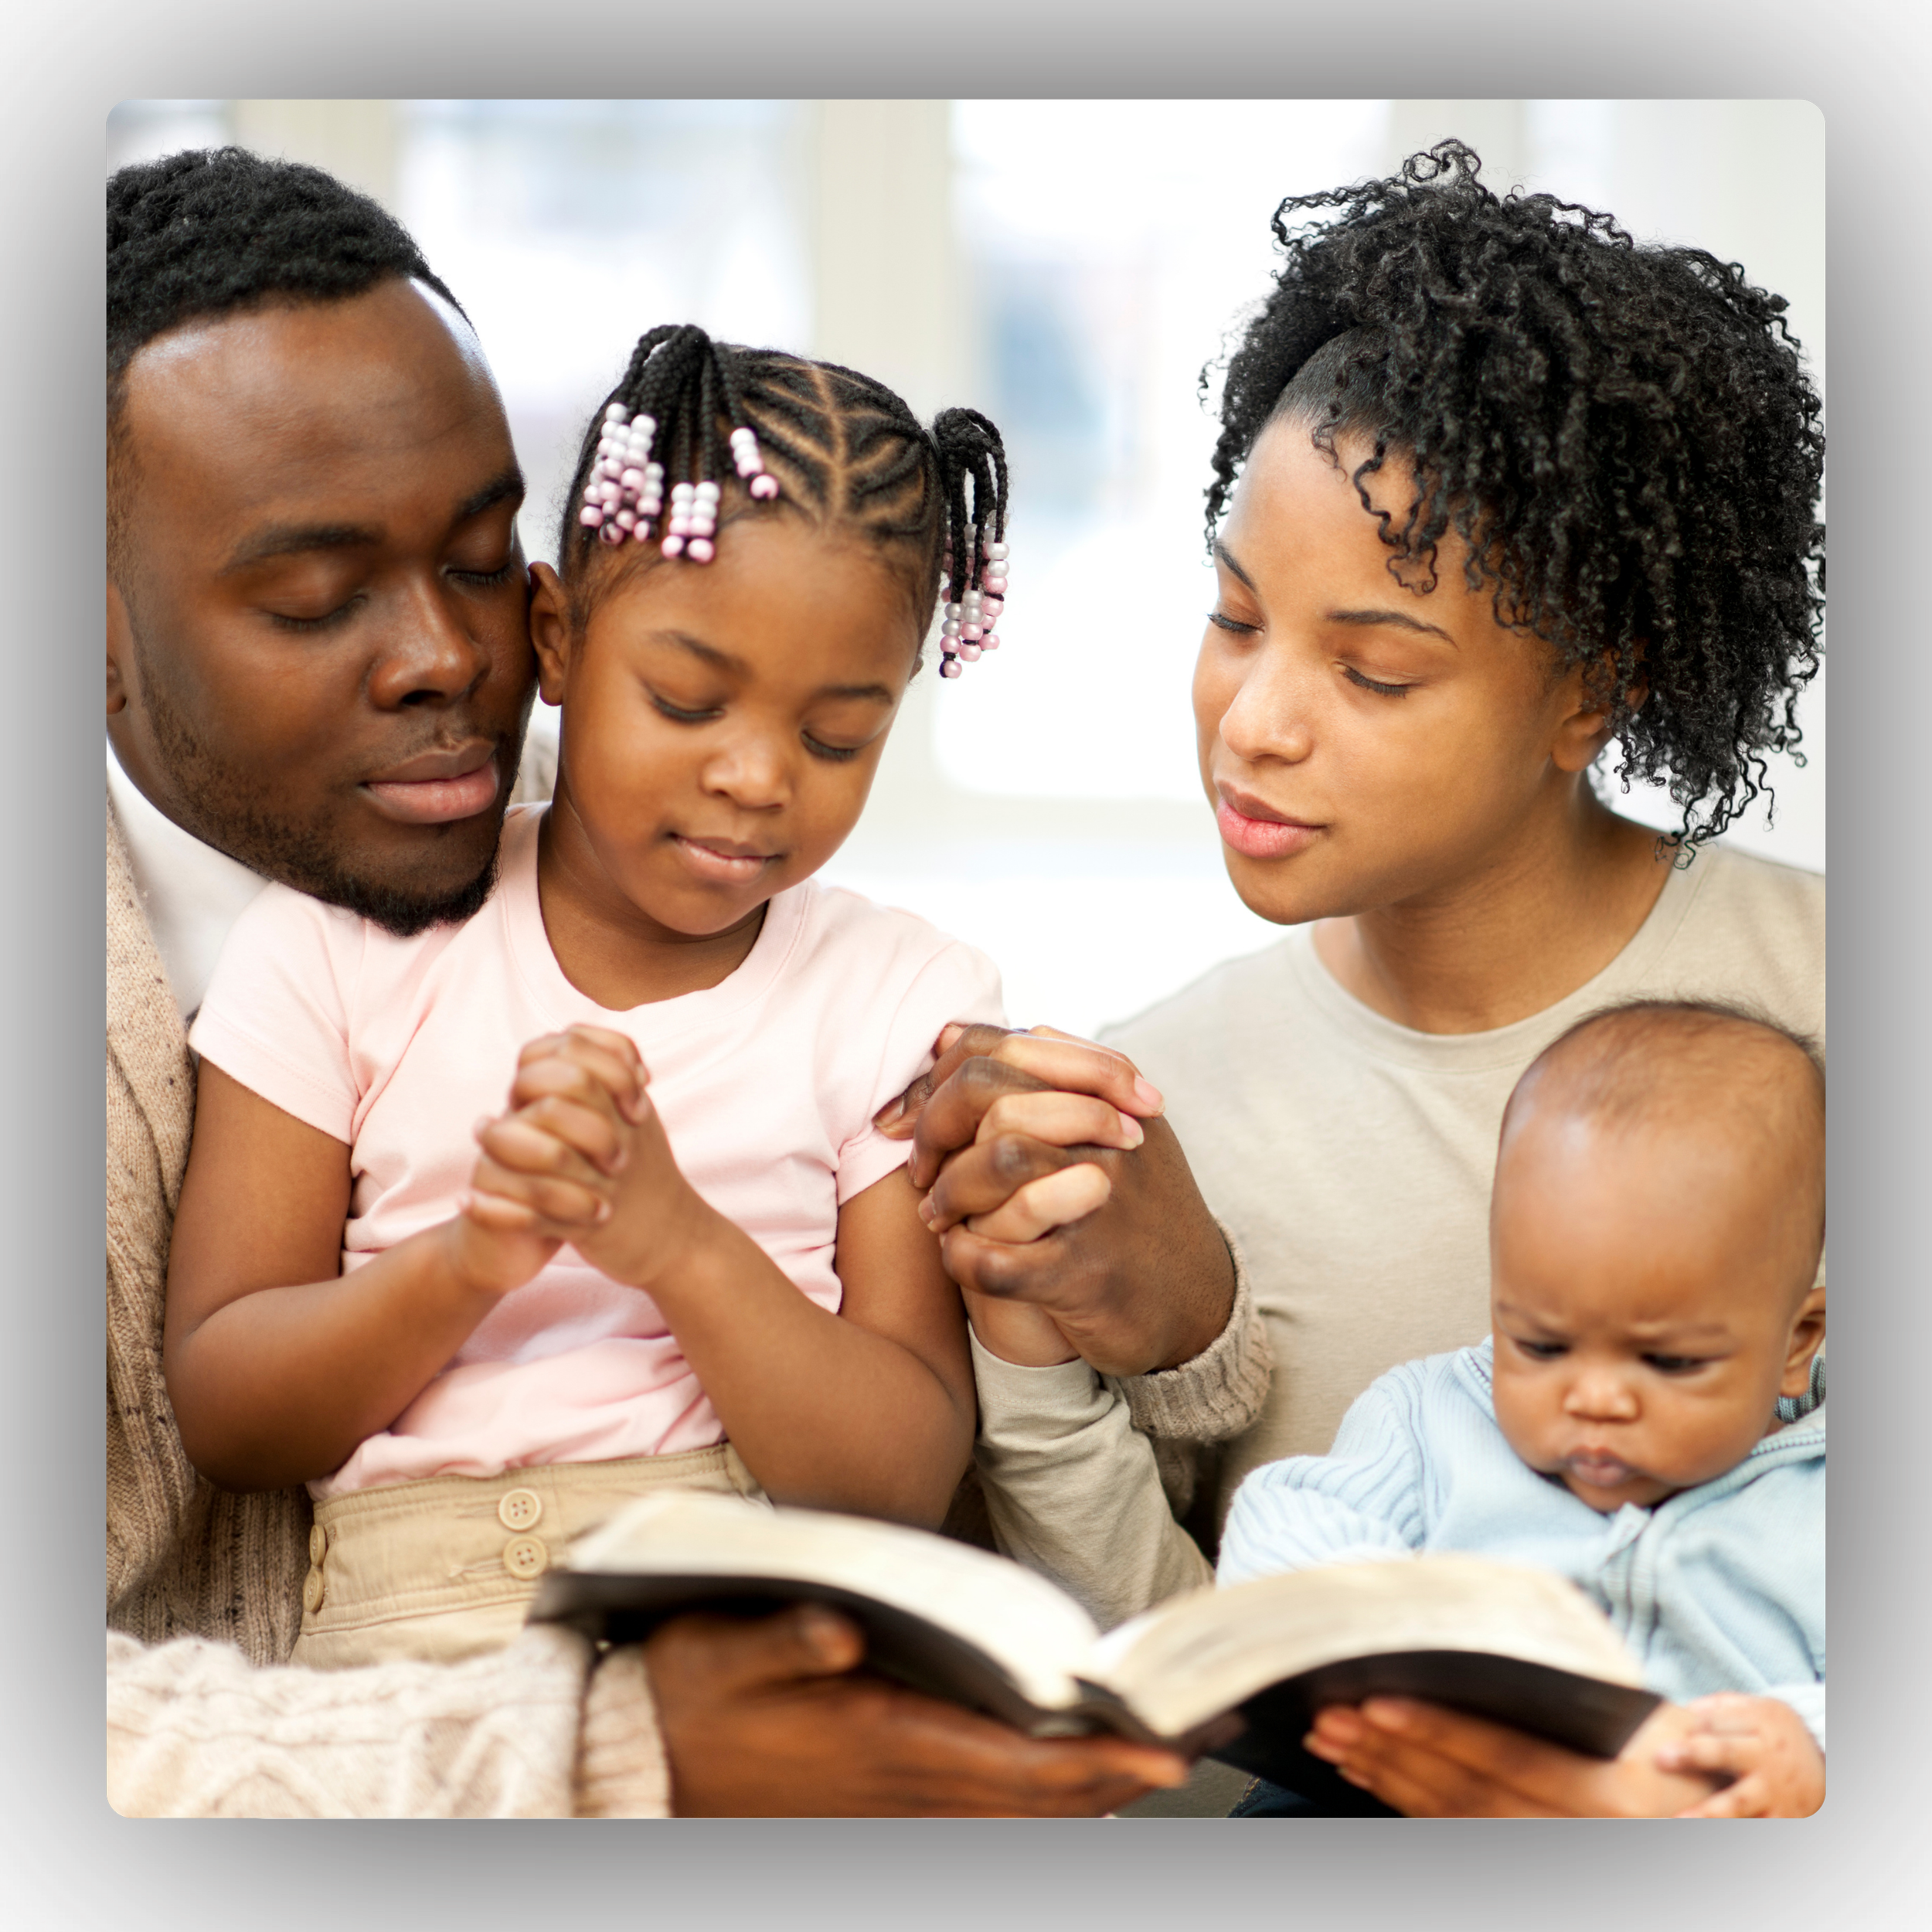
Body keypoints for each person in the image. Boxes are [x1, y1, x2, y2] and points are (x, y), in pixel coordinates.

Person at [105, 147, 1182, 1815]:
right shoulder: (323, 954)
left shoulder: (884, 991)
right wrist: (476, 1255)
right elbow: (234, 1404)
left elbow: (911, 1463)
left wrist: (679, 1240)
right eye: (315, 598)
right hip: (394, 1674)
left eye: (840, 734)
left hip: (763, 1614)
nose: (756, 778)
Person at [882, 141, 1825, 1815]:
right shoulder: (1153, 1100)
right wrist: (1037, 1339)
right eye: (1234, 615)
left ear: (1590, 693)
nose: (1254, 722)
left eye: (1374, 670)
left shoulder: (1818, 987)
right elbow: (1189, 1696)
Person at [1219, 1000, 1825, 1818]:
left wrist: (1806, 1746)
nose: (1595, 1399)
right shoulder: (1433, 1415)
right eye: (1541, 1345)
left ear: (1796, 1341)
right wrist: (1401, 1630)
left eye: (1669, 1361)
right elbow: (1284, 1521)